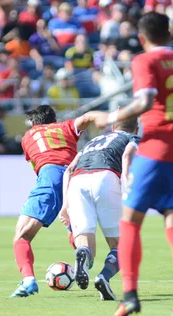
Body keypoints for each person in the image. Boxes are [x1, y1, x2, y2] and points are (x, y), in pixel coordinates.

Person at [91, 12, 173, 316]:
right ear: (171, 33)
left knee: (130, 222)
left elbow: (144, 100)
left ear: (142, 38)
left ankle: (129, 295)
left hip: (155, 152)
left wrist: (111, 116)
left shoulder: (146, 61)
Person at [9, 105, 96, 298]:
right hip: (78, 176)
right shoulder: (65, 126)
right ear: (54, 120)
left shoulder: (28, 136)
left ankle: (28, 281)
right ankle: (85, 258)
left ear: (33, 123)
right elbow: (86, 119)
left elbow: (36, 166)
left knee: (22, 236)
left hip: (51, 175)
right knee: (76, 229)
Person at [58, 117, 140, 300]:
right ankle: (104, 277)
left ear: (113, 127)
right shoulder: (132, 138)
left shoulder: (94, 141)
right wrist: (127, 191)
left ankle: (82, 255)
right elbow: (127, 156)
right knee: (122, 245)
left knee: (87, 246)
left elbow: (69, 170)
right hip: (106, 176)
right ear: (136, 129)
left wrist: (65, 205)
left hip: (78, 182)